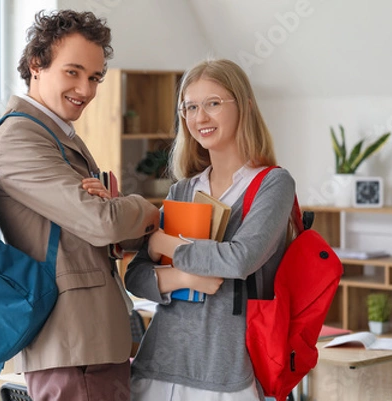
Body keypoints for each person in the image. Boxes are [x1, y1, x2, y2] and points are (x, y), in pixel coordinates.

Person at [0, 9, 160, 401]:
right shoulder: (20, 137)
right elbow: (102, 222)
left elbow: (105, 228)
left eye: (95, 77)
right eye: (73, 72)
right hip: (73, 345)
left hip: (89, 343)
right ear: (36, 65)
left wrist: (116, 217)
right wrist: (142, 209)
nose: (86, 89)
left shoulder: (57, 134)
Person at [124, 58, 295, 401]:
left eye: (213, 104)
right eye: (190, 107)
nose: (200, 117)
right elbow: (136, 276)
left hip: (227, 372)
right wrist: (187, 279)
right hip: (159, 364)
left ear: (244, 106)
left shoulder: (272, 184)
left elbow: (239, 260)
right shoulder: (183, 191)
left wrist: (165, 243)